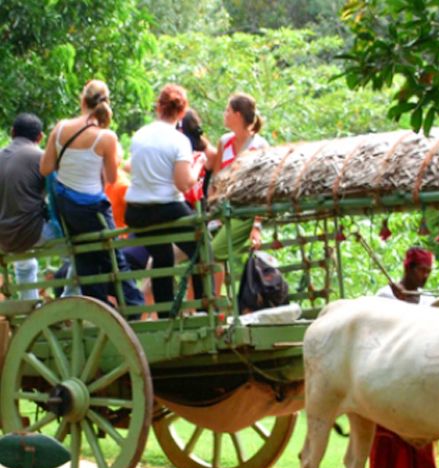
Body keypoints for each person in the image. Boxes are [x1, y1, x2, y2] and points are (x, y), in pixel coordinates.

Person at [40, 80, 144, 309]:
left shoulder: (60, 129)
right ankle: (135, 307)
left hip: (67, 209)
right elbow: (111, 178)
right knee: (116, 261)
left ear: (82, 99)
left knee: (85, 259)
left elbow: (45, 168)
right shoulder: (106, 137)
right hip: (93, 209)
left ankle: (99, 308)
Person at [367, 246, 439, 468]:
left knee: (422, 437)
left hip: (417, 379)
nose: (425, 277)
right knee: (384, 436)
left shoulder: (426, 301)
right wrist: (398, 306)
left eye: (428, 272)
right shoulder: (383, 297)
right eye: (422, 271)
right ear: (408, 269)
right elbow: (375, 334)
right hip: (388, 376)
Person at [124, 84, 206, 319]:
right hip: (166, 208)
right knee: (203, 248)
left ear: (158, 107)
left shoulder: (140, 135)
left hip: (137, 211)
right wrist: (196, 165)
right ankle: (202, 308)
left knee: (162, 257)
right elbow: (183, 183)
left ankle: (164, 315)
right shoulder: (179, 141)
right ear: (182, 113)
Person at [0, 113, 60, 299]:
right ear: (40, 137)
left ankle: (30, 308)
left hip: (2, 236)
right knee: (77, 248)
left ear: (12, 133)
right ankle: (69, 298)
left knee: (25, 264)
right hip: (31, 232)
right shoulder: (41, 157)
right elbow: (57, 195)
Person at [208, 93, 269, 261]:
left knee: (213, 253)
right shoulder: (224, 141)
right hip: (223, 208)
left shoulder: (260, 146)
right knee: (200, 251)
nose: (224, 115)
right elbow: (216, 178)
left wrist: (257, 226)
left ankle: (213, 288)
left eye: (227, 111)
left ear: (237, 115)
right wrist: (213, 210)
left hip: (247, 211)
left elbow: (263, 188)